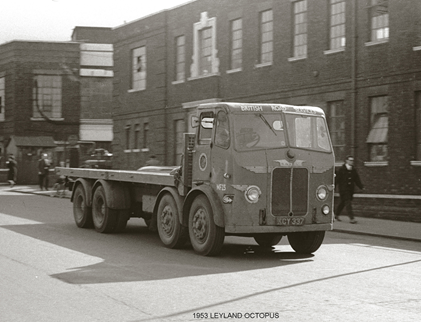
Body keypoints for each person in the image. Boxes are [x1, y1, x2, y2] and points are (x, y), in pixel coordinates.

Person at [335, 155, 364, 224]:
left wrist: (361, 187)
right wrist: (334, 187)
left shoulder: (353, 170)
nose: (351, 162)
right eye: (350, 160)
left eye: (352, 160)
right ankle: (352, 218)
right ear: (346, 161)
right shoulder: (341, 169)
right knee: (348, 202)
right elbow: (337, 179)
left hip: (350, 190)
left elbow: (357, 179)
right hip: (343, 190)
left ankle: (336, 214)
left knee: (343, 202)